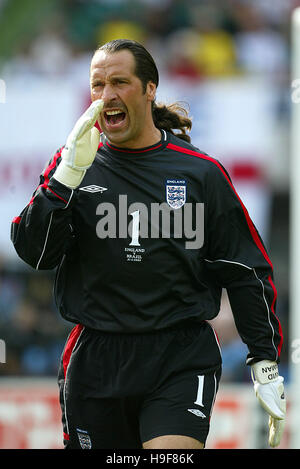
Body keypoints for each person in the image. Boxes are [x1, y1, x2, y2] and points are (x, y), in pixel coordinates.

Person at [11, 39, 286, 450]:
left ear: (149, 89)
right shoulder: (72, 165)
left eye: (119, 82)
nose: (107, 96)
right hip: (96, 359)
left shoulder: (201, 173)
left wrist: (264, 360)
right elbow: (34, 251)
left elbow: (245, 267)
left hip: (180, 355)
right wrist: (66, 176)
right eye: (98, 85)